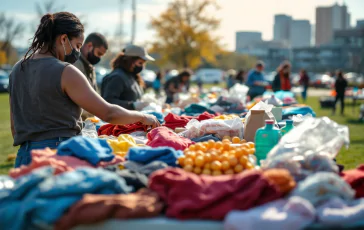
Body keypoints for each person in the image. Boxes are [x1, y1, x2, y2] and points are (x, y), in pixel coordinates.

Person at [9, 12, 160, 168]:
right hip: (59, 153)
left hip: (25, 156)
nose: (78, 52)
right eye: (77, 46)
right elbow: (108, 113)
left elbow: (14, 126)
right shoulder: (66, 71)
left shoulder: (16, 69)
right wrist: (142, 116)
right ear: (63, 39)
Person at [101, 45, 155, 110]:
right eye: (140, 63)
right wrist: (132, 105)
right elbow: (108, 101)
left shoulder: (132, 76)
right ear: (130, 60)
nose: (142, 67)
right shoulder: (117, 77)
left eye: (143, 64)